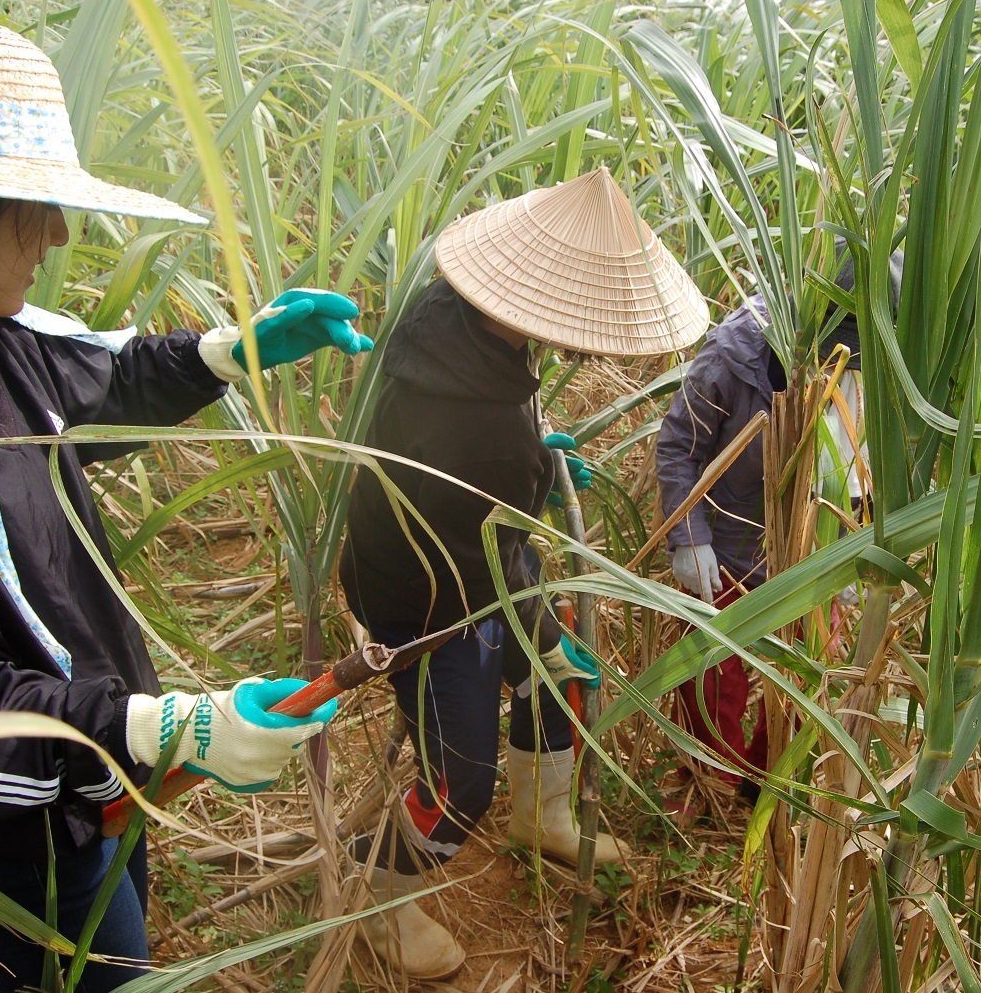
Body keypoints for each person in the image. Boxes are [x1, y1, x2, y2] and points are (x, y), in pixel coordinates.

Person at [0, 10, 370, 992]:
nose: (59, 236)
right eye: (31, 207)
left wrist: (234, 350)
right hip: (13, 809)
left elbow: (99, 385)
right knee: (93, 966)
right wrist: (164, 728)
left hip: (96, 755)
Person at [338, 167, 708, 979]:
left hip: (474, 563)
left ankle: (543, 820)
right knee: (461, 780)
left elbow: (488, 459)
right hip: (437, 598)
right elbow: (488, 493)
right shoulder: (475, 421)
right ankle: (380, 892)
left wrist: (534, 451)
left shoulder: (453, 321)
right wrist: (531, 469)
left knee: (565, 675)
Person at [655, 251, 900, 809]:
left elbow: (873, 458)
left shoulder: (886, 360)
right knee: (715, 676)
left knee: (808, 675)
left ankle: (765, 787)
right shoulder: (735, 351)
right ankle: (712, 783)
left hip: (818, 553)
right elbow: (678, 447)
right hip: (729, 545)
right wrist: (690, 540)